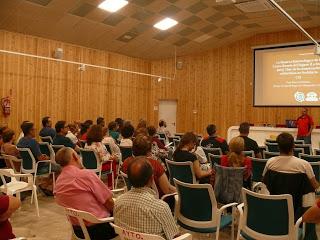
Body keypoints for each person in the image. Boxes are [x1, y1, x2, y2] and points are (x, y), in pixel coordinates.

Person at [54, 147, 116, 240]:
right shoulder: (86, 175)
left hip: (78, 231)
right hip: (101, 229)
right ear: (75, 156)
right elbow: (109, 202)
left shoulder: (58, 182)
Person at [114, 157, 179, 240]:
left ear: (128, 178)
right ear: (151, 179)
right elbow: (174, 236)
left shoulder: (118, 202)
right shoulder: (161, 207)